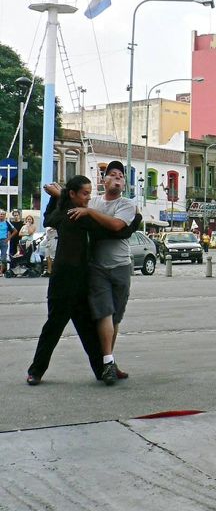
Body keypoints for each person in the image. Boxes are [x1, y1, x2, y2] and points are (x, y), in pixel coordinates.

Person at [26, 176, 142, 386]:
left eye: (90, 193)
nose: (89, 199)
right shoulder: (72, 216)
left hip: (81, 282)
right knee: (53, 327)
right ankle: (35, 371)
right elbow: (114, 231)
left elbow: (49, 218)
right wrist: (135, 222)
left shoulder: (78, 214)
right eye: (85, 194)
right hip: (62, 283)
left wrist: (58, 197)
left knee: (88, 330)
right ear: (73, 194)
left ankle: (103, 370)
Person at [71, 161, 138, 386]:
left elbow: (117, 225)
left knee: (115, 316)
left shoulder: (127, 205)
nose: (118, 178)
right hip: (98, 267)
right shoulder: (95, 201)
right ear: (104, 180)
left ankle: (108, 362)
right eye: (113, 174)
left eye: (121, 176)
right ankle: (108, 361)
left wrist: (89, 212)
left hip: (120, 266)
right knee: (104, 313)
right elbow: (74, 199)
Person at [0, 209, 17, 275]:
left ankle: (1, 272)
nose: (1, 215)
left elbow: (15, 231)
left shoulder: (7, 222)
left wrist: (8, 238)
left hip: (3, 241)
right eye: (0, 214)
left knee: (3, 257)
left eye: (2, 214)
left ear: (5, 216)